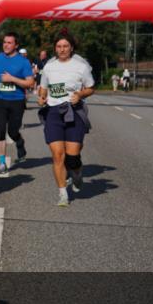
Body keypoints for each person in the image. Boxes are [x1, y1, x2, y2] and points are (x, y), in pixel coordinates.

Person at [37, 31, 95, 207]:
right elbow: (43, 87)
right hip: (53, 113)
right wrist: (41, 97)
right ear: (55, 48)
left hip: (73, 111)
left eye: (65, 46)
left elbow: (91, 87)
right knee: (57, 155)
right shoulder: (49, 66)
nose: (62, 50)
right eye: (59, 47)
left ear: (71, 48)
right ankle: (63, 193)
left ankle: (76, 173)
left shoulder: (81, 66)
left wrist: (80, 94)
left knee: (72, 157)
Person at [0, 32, 35, 176]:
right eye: (4, 42)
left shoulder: (23, 62)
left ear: (16, 45)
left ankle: (19, 141)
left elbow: (30, 82)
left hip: (16, 101)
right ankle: (2, 162)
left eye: (10, 43)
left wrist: (12, 79)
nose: (6, 45)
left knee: (12, 131)